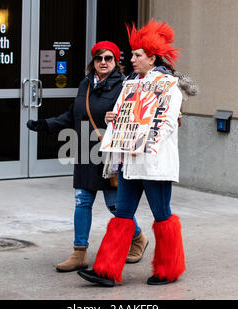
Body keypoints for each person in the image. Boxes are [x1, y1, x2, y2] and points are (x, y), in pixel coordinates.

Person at [77, 20, 198, 286]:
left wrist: (143, 137)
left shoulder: (169, 85)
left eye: (137, 55)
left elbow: (166, 123)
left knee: (162, 215)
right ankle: (107, 270)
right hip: (129, 163)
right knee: (122, 215)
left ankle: (168, 269)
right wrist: (113, 118)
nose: (130, 59)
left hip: (154, 164)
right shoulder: (131, 83)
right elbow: (122, 116)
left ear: (151, 57)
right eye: (132, 54)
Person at [26, 41, 148, 272]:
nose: (103, 62)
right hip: (85, 149)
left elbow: (136, 115)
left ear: (116, 62)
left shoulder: (125, 85)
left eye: (108, 58)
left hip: (109, 152)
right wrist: (44, 125)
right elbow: (74, 114)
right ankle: (79, 253)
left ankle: (138, 237)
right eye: (99, 58)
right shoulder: (86, 84)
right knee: (82, 201)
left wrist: (119, 116)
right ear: (93, 62)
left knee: (115, 206)